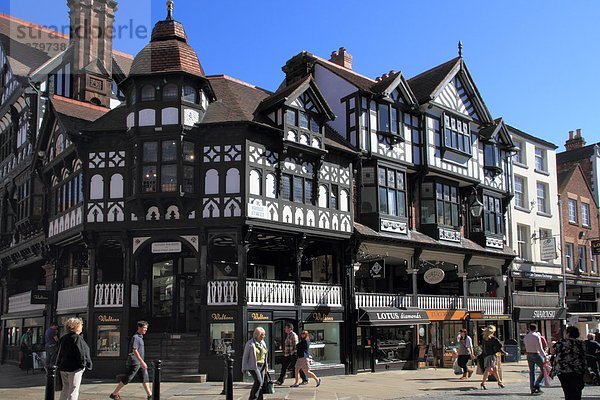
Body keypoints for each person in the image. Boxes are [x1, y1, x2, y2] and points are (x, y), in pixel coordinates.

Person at [110, 321, 152, 400]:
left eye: (146, 328)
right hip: (135, 362)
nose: (146, 330)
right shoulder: (135, 337)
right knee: (128, 378)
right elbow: (134, 350)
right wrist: (142, 362)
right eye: (144, 328)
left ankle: (150, 395)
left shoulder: (140, 337)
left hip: (139, 362)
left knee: (145, 377)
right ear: (139, 327)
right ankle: (114, 393)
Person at [56, 317, 92, 400]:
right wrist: (84, 365)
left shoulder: (63, 338)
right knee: (73, 390)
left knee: (65, 388)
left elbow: (59, 352)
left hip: (63, 367)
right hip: (74, 368)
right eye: (81, 325)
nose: (82, 327)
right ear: (76, 327)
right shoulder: (77, 338)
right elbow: (82, 353)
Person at [552, 326, 587, 400]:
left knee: (567, 391)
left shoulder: (561, 342)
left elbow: (553, 351)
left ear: (568, 333)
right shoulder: (581, 343)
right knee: (577, 390)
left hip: (563, 369)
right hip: (578, 368)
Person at [242, 327, 269, 400]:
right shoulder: (250, 344)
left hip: (262, 365)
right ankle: (253, 398)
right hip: (254, 366)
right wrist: (244, 368)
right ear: (257, 335)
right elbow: (245, 356)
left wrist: (266, 366)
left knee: (261, 383)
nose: (263, 336)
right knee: (258, 382)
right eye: (262, 335)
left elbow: (265, 354)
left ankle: (260, 398)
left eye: (264, 335)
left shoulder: (263, 342)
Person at [478, 325, 504, 390]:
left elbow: (483, 348)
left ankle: (499, 382)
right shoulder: (493, 339)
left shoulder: (484, 338)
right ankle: (483, 383)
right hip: (491, 356)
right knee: (488, 369)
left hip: (486, 356)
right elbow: (500, 345)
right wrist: (503, 352)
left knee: (495, 369)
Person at [523, 323, 546, 394]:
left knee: (532, 372)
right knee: (544, 370)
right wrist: (545, 356)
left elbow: (525, 346)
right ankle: (537, 384)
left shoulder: (526, 337)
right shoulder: (537, 336)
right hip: (536, 354)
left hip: (529, 354)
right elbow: (540, 348)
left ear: (529, 328)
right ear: (536, 329)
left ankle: (532, 388)